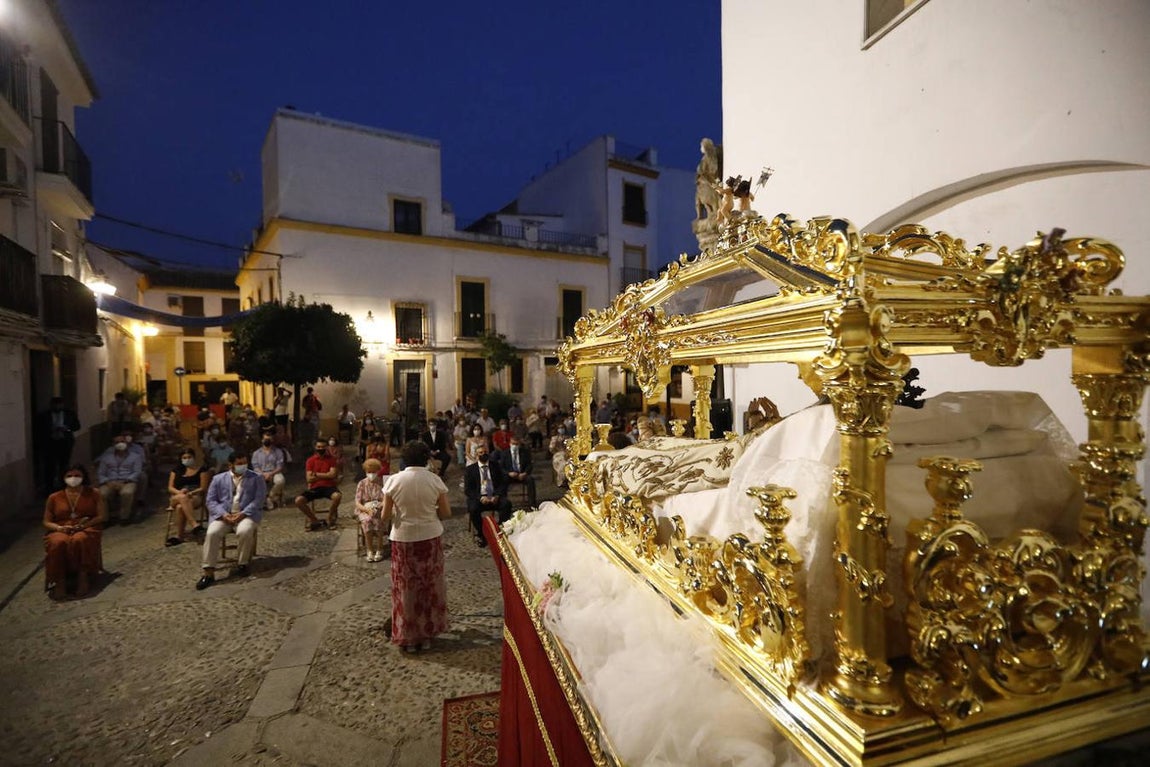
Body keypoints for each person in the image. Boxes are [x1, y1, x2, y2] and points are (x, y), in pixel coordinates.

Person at [381, 440, 451, 652]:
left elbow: (385, 516)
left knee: (406, 588)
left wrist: (401, 513)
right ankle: (427, 634)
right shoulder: (434, 480)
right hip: (430, 536)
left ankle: (408, 636)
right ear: (426, 458)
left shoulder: (394, 481)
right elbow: (446, 513)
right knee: (429, 585)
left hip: (403, 538)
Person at [195, 452, 266, 590]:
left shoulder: (256, 478)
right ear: (231, 465)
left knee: (245, 531)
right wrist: (223, 514)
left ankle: (242, 563)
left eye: (245, 463)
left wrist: (243, 513)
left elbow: (259, 499)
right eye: (239, 464)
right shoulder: (218, 479)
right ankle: (208, 572)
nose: (243, 466)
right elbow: (210, 501)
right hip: (224, 516)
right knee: (212, 533)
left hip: (246, 514)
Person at [43, 465, 106, 599]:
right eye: (69, 476)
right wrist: (59, 528)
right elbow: (46, 521)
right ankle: (60, 581)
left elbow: (101, 516)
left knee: (80, 539)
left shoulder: (93, 493)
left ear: (83, 477)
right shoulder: (54, 497)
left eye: (77, 476)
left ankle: (83, 577)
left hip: (86, 526)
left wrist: (84, 525)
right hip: (62, 527)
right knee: (58, 542)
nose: (73, 479)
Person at [464, 446, 511, 547]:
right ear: (476, 455)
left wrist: (497, 495)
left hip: (494, 496)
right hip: (479, 498)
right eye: (480, 453)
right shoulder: (470, 470)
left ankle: (499, 530)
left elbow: (503, 482)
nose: (483, 454)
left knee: (507, 504)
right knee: (473, 509)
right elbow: (468, 490)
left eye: (485, 452)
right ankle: (482, 533)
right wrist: (480, 497)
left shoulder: (496, 466)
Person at [96, 433, 145, 524]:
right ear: (113, 445)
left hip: (128, 481)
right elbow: (101, 473)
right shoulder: (106, 458)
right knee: (101, 494)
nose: (120, 444)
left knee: (127, 493)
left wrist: (127, 480)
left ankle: (124, 517)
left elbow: (137, 472)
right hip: (110, 482)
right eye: (117, 442)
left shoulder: (135, 457)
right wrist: (107, 482)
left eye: (122, 441)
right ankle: (105, 519)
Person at [36, 396, 80, 493]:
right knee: (49, 466)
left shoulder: (69, 414)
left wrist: (66, 429)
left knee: (64, 465)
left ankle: (64, 486)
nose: (57, 407)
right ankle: (49, 488)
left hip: (64, 442)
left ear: (62, 405)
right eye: (55, 405)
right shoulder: (44, 415)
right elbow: (39, 429)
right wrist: (50, 430)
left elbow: (76, 426)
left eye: (59, 405)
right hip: (50, 443)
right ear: (51, 405)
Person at [296, 439, 342, 531]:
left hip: (329, 487)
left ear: (326, 448)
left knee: (337, 496)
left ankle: (329, 517)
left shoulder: (331, 460)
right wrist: (326, 475)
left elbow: (332, 474)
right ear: (315, 448)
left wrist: (316, 474)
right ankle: (314, 520)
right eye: (319, 447)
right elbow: (309, 478)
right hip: (315, 488)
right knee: (299, 501)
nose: (320, 449)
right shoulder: (310, 461)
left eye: (323, 447)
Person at [165, 449, 208, 546]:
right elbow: (170, 487)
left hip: (194, 495)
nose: (187, 459)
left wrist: (191, 492)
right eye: (184, 458)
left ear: (194, 458)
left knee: (180, 507)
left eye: (189, 457)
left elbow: (203, 487)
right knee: (182, 498)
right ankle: (195, 525)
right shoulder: (176, 471)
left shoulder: (202, 470)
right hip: (177, 495)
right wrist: (180, 492)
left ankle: (179, 536)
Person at [354, 458, 388, 561]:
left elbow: (386, 499)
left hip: (379, 508)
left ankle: (379, 548)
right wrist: (366, 509)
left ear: (378, 471)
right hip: (365, 508)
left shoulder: (383, 483)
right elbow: (357, 502)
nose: (371, 474)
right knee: (367, 521)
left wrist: (381, 505)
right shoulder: (362, 483)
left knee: (378, 520)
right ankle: (369, 549)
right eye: (369, 472)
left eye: (374, 472)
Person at [498, 435, 536, 508]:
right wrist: (509, 473)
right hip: (510, 475)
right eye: (513, 444)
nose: (514, 446)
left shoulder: (525, 452)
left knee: (530, 480)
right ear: (510, 444)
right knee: (502, 481)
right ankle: (503, 503)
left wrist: (525, 473)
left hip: (522, 474)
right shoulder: (505, 453)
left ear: (519, 444)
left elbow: (529, 465)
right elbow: (501, 467)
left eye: (516, 444)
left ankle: (532, 504)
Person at [250, 434, 287, 509]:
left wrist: (271, 474)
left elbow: (279, 466)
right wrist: (263, 474)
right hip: (261, 472)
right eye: (265, 439)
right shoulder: (256, 453)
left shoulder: (278, 451)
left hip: (274, 472)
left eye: (269, 439)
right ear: (262, 440)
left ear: (272, 440)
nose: (267, 441)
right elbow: (255, 467)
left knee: (280, 480)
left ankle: (270, 497)